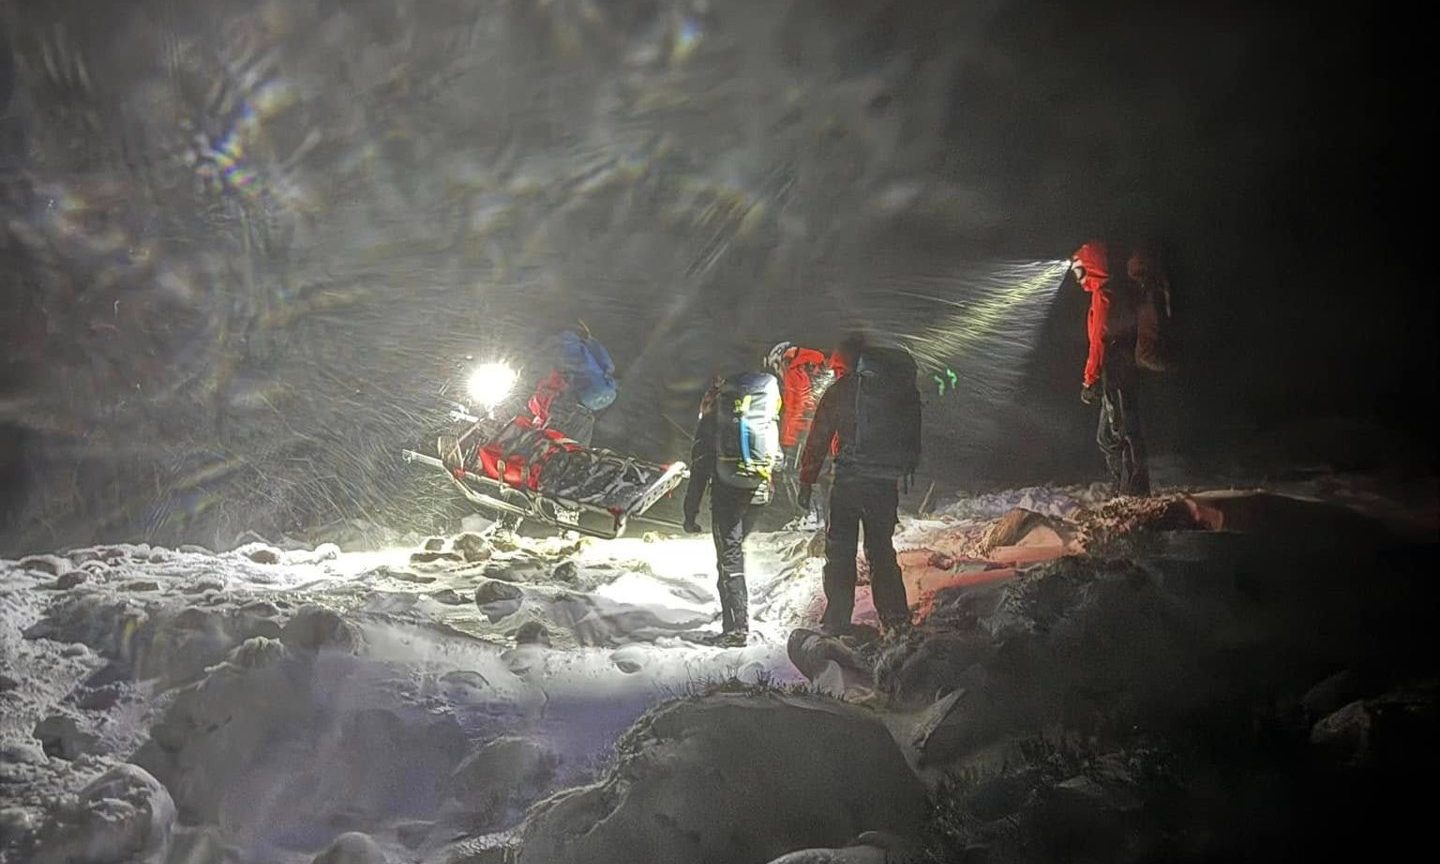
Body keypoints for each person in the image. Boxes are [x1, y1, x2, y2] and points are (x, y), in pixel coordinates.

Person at [798, 336, 921, 636]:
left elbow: (818, 439)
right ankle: (896, 621)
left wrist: (806, 480)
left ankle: (838, 620)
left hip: (849, 482)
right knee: (881, 550)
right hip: (884, 483)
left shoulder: (844, 390)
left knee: (840, 551)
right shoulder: (897, 391)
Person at [682, 371, 782, 647]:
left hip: (728, 494)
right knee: (733, 554)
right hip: (759, 494)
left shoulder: (713, 422)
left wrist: (690, 512)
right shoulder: (760, 417)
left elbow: (700, 467)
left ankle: (736, 628)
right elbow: (779, 460)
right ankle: (734, 619)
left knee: (729, 558)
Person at [1073, 241, 1150, 496]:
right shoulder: (1110, 292)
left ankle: (1132, 493)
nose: (1076, 277)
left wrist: (1090, 379)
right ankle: (1125, 489)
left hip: (1115, 370)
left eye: (1079, 270)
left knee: (1121, 432)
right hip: (1122, 367)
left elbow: (1099, 341)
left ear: (1091, 267)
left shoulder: (1104, 296)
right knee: (1109, 435)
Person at [527, 321, 617, 448]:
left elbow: (542, 378)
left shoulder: (557, 345)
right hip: (597, 399)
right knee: (572, 453)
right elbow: (608, 365)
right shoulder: (590, 344)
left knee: (542, 447)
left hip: (566, 403)